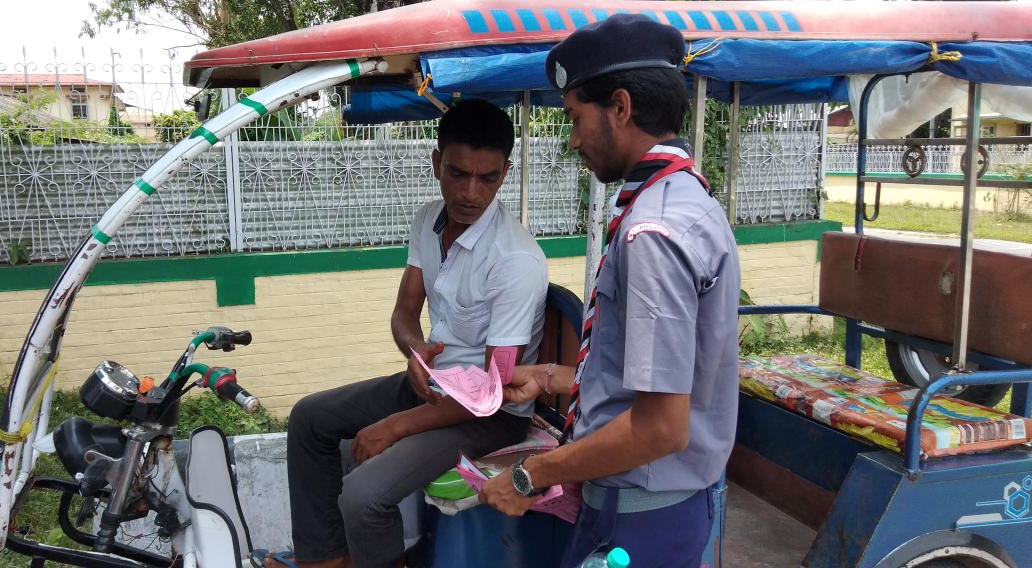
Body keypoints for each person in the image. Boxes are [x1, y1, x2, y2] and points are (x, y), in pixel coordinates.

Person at [478, 14, 741, 568]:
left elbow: (660, 426)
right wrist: (552, 377)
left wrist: (529, 476)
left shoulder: (654, 232)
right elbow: (663, 383)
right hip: (653, 505)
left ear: (620, 108)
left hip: (639, 516)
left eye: (575, 118)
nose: (572, 140)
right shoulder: (686, 200)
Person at [272, 99, 549, 568]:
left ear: (505, 173)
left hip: (487, 413)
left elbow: (493, 391)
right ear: (436, 163)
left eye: (488, 178)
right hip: (433, 386)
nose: (471, 193)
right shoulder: (428, 220)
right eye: (458, 174)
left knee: (364, 496)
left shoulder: (515, 260)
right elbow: (404, 312)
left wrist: (395, 425)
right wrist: (415, 350)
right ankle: (326, 561)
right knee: (308, 419)